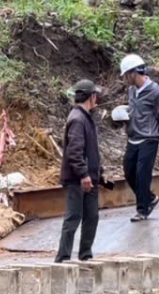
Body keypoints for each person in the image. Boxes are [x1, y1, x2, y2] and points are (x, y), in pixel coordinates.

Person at [55, 80, 109, 262]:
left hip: (88, 178)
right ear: (91, 97)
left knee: (91, 216)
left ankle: (85, 254)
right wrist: (83, 175)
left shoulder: (85, 118)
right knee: (74, 217)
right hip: (77, 180)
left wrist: (98, 174)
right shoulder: (78, 119)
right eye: (96, 96)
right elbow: (74, 152)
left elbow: (91, 151)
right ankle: (62, 258)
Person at [120, 54, 159, 222]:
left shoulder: (155, 92)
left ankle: (142, 210)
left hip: (149, 139)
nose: (125, 79)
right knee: (129, 172)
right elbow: (133, 111)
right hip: (133, 137)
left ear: (134, 73)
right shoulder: (131, 91)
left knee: (143, 175)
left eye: (126, 75)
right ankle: (150, 198)